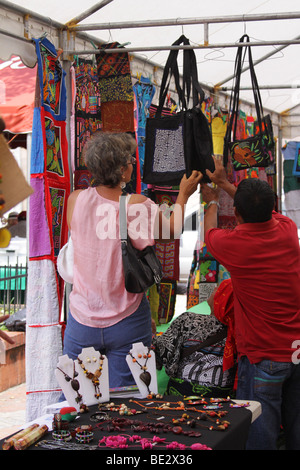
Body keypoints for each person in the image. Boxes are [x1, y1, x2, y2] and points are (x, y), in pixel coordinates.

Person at [62, 131, 202, 389]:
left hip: (81, 321)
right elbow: (171, 230)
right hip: (127, 319)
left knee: (79, 398)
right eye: (131, 162)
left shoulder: (75, 200)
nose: (133, 166)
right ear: (123, 171)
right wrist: (184, 194)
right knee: (126, 403)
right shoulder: (138, 205)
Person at [200, 156, 300, 450]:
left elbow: (209, 233)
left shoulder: (234, 245)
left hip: (263, 357)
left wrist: (212, 199)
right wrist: (226, 186)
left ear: (238, 214)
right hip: (296, 350)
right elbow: (261, 211)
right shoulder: (287, 230)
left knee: (260, 435)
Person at [153, 278, 237, 398]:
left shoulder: (189, 320)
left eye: (218, 289)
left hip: (181, 396)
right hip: (222, 400)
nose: (213, 289)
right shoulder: (240, 330)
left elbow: (162, 353)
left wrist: (151, 335)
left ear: (222, 298)